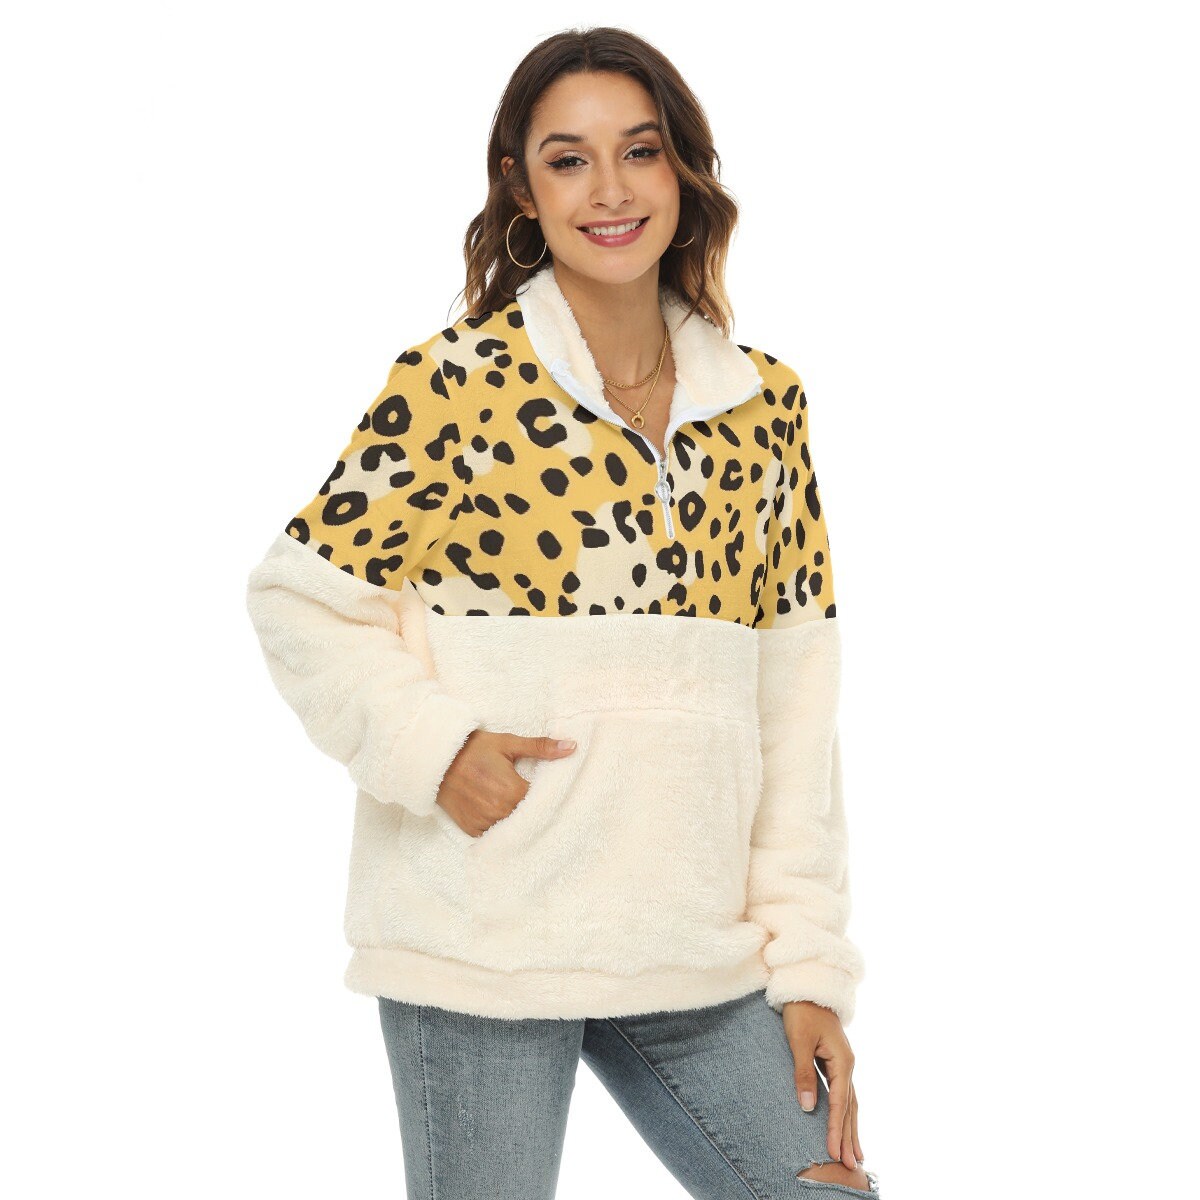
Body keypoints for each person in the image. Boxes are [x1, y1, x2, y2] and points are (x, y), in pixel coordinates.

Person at [245, 25, 880, 1200]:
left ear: (684, 172)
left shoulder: (766, 410)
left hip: (692, 948)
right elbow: (299, 600)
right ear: (522, 190)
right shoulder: (456, 383)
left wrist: (808, 970)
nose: (611, 191)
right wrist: (435, 750)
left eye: (639, 152)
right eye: (569, 160)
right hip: (482, 941)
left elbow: (795, 708)